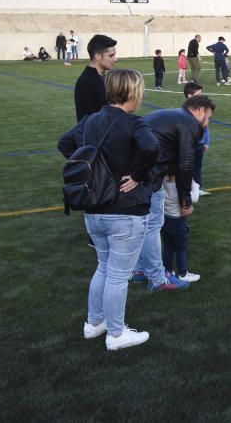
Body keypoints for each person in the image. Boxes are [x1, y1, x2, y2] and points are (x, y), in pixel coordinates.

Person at [57, 68, 160, 350]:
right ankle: (115, 334)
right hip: (125, 212)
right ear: (132, 92)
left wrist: (94, 170)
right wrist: (137, 176)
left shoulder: (91, 121)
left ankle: (94, 323)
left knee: (103, 267)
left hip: (94, 210)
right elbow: (152, 148)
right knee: (117, 275)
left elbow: (65, 143)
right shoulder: (134, 123)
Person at [132, 94, 216, 292]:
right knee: (152, 226)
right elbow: (185, 165)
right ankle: (158, 277)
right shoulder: (190, 124)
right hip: (146, 177)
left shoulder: (172, 116)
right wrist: (185, 202)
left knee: (142, 225)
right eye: (209, 117)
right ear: (200, 111)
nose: (207, 123)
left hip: (134, 173)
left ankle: (139, 269)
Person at [74, 34, 117, 122]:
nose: (115, 59)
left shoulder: (99, 76)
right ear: (98, 56)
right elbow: (92, 121)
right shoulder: (88, 82)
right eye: (111, 56)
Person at [183, 82, 211, 196]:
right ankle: (186, 188)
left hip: (199, 143)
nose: (201, 95)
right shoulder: (186, 110)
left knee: (197, 166)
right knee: (187, 167)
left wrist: (206, 141)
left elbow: (206, 126)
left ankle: (197, 188)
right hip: (189, 144)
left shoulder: (202, 107)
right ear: (190, 96)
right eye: (199, 93)